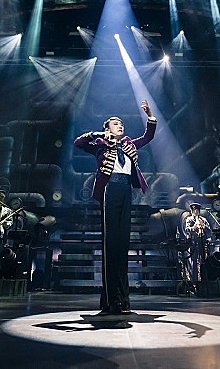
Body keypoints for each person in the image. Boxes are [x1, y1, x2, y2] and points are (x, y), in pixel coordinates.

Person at [74, 99, 156, 315]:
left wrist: (150, 116)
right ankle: (112, 301)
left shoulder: (129, 144)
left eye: (121, 123)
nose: (120, 126)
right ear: (107, 128)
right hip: (109, 190)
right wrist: (98, 135)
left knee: (122, 246)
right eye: (115, 124)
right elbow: (78, 143)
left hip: (126, 190)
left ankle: (123, 299)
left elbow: (148, 136)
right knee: (110, 246)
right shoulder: (100, 145)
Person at [182, 202, 212, 283]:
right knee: (194, 262)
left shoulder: (203, 220)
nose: (196, 212)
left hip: (202, 242)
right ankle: (194, 281)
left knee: (203, 261)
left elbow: (209, 231)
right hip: (193, 243)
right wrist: (193, 227)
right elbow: (186, 229)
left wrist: (203, 226)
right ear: (191, 211)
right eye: (194, 210)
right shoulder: (189, 219)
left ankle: (204, 280)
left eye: (197, 210)